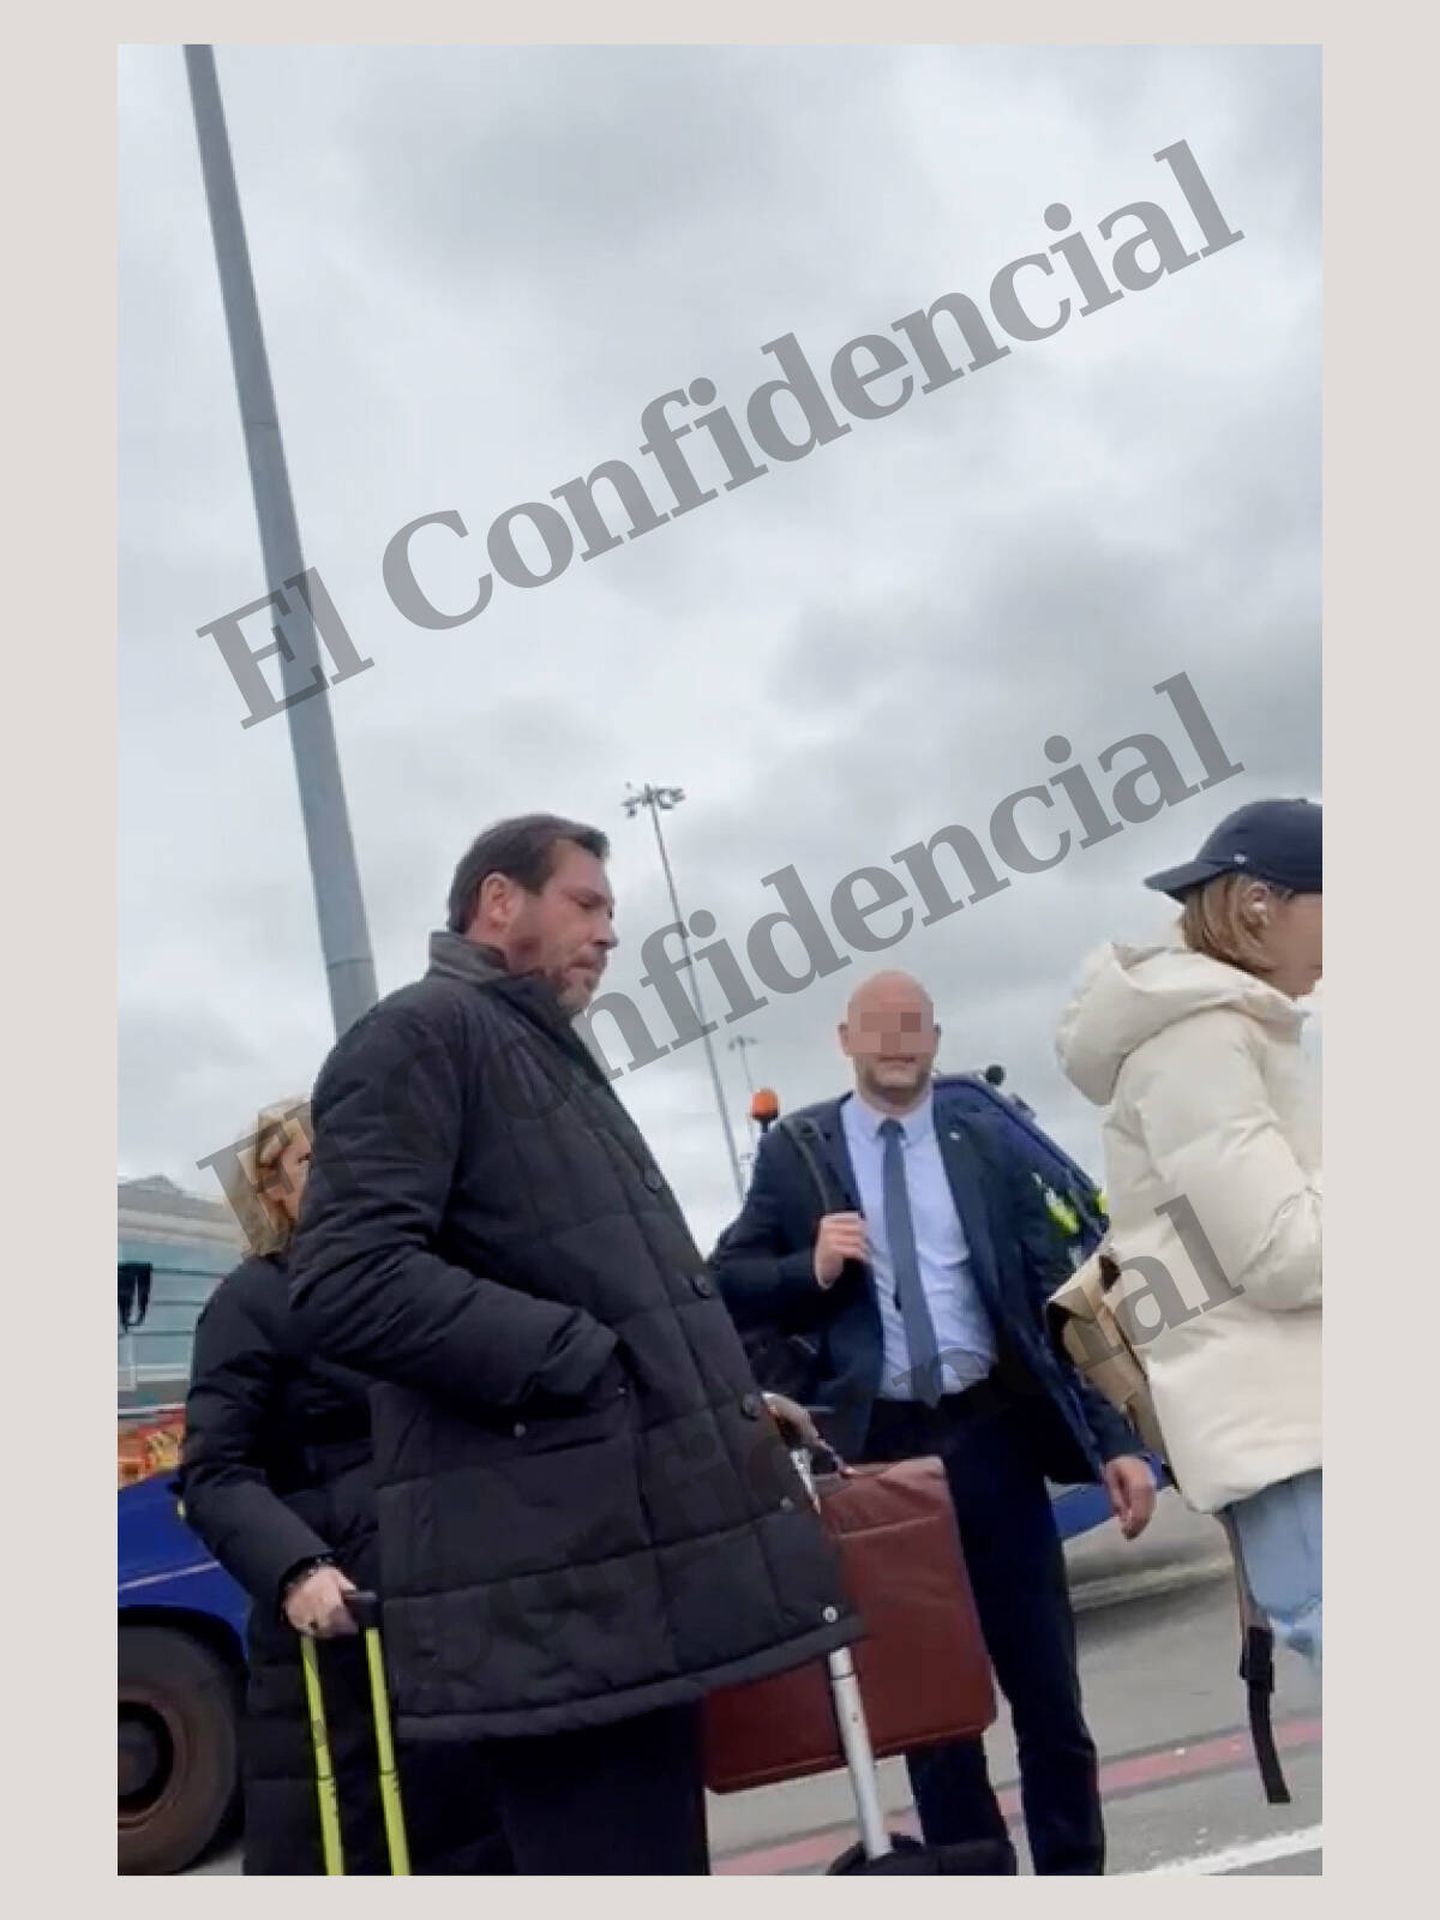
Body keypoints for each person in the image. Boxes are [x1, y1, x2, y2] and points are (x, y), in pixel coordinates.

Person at [286, 814, 855, 1877]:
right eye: (586, 904)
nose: (608, 933)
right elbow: (346, 1281)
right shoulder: (420, 1035)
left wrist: (715, 1393)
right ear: (501, 903)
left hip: (601, 1585)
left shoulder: (530, 1051)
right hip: (549, 1598)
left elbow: (605, 1282)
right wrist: (581, 1363)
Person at [709, 971, 1157, 1876]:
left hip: (993, 1437)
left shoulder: (980, 1140)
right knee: (935, 1708)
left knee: (1048, 1697)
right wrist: (810, 1266)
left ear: (937, 1038)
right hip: (883, 1460)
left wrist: (1117, 1442)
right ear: (845, 1039)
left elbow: (1054, 1301)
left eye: (915, 1027)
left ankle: (1076, 1874)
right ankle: (972, 1878)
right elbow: (727, 1283)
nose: (899, 1043)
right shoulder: (800, 1152)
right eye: (881, 1028)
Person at [179, 1099, 511, 1875]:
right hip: (339, 1638)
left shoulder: (422, 1279)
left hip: (453, 1611)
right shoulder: (250, 1302)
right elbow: (215, 1472)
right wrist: (298, 1569)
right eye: (309, 1163)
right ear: (276, 1195)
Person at [1056, 796, 1322, 1671]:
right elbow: (1285, 1253)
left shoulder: (1223, 1031)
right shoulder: (1200, 1041)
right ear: (1260, 904)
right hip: (1297, 1440)